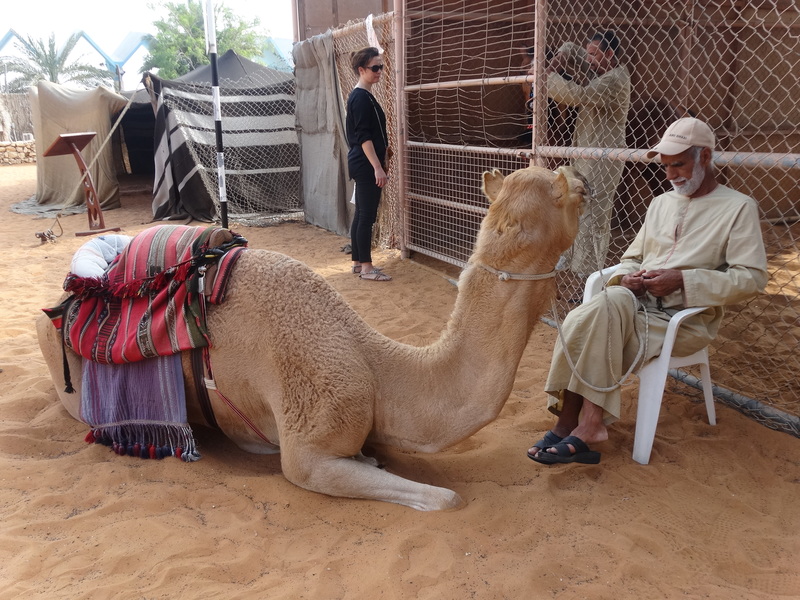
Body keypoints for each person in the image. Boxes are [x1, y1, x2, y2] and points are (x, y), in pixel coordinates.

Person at [527, 117, 768, 465]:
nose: (670, 175)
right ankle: (588, 424)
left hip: (681, 321)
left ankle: (569, 422)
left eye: (679, 164)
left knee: (591, 317)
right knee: (604, 306)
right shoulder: (661, 204)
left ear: (705, 157)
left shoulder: (738, 207)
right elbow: (632, 258)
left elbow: (752, 278)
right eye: (666, 167)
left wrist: (683, 280)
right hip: (634, 305)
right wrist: (626, 278)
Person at [545, 31, 631, 277]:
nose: (589, 59)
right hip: (585, 153)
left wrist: (546, 78)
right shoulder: (600, 69)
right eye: (589, 53)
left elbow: (578, 95)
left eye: (594, 54)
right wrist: (560, 56)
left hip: (605, 159)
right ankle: (570, 261)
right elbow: (573, 47)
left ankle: (588, 276)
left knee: (594, 218)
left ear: (610, 54)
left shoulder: (615, 79)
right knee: (572, 205)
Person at [345, 46, 392, 282]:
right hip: (365, 165)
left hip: (362, 163)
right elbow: (364, 137)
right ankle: (366, 268)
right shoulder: (360, 98)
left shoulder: (363, 95)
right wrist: (377, 166)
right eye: (375, 67)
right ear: (361, 69)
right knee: (366, 216)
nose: (380, 71)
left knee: (361, 214)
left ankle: (357, 262)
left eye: (381, 66)